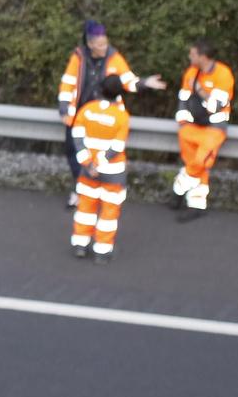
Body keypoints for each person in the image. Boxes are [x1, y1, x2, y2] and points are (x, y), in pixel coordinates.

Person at [57, 21, 163, 204]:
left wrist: (145, 83)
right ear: (90, 44)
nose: (104, 48)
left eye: (105, 43)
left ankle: (98, 189)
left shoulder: (114, 57)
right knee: (76, 153)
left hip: (103, 115)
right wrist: (64, 108)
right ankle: (79, 189)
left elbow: (127, 80)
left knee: (103, 155)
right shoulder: (79, 57)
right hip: (79, 115)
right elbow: (68, 82)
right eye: (100, 45)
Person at [70, 77, 130, 262]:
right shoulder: (121, 116)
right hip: (113, 172)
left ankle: (81, 244)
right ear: (119, 94)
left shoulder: (86, 111)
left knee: (85, 208)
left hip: (88, 172)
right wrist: (101, 163)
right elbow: (118, 146)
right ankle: (102, 251)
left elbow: (77, 140)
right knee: (109, 213)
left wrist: (89, 164)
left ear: (100, 90)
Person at [172, 38, 235, 216]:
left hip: (214, 127)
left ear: (203, 57)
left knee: (201, 161)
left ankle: (179, 187)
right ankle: (196, 205)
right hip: (191, 125)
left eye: (192, 54)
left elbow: (216, 106)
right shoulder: (191, 72)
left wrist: (199, 89)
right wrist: (183, 121)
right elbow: (183, 97)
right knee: (194, 163)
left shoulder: (223, 74)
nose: (189, 57)